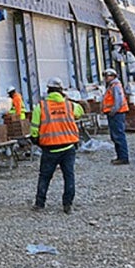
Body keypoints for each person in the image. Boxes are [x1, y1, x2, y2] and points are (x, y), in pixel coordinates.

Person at [30, 77, 84, 214]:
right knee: (69, 176)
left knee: (45, 176)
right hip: (68, 147)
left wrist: (36, 140)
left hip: (50, 148)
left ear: (48, 90)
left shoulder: (40, 107)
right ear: (61, 90)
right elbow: (81, 111)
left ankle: (39, 204)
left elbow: (34, 130)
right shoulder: (69, 105)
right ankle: (67, 205)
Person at [102, 68, 129, 165]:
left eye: (107, 76)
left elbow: (118, 101)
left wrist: (113, 111)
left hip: (116, 114)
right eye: (105, 76)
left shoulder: (115, 86)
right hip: (114, 114)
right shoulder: (111, 86)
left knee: (118, 135)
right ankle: (120, 156)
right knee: (115, 136)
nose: (106, 78)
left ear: (113, 76)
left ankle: (123, 157)